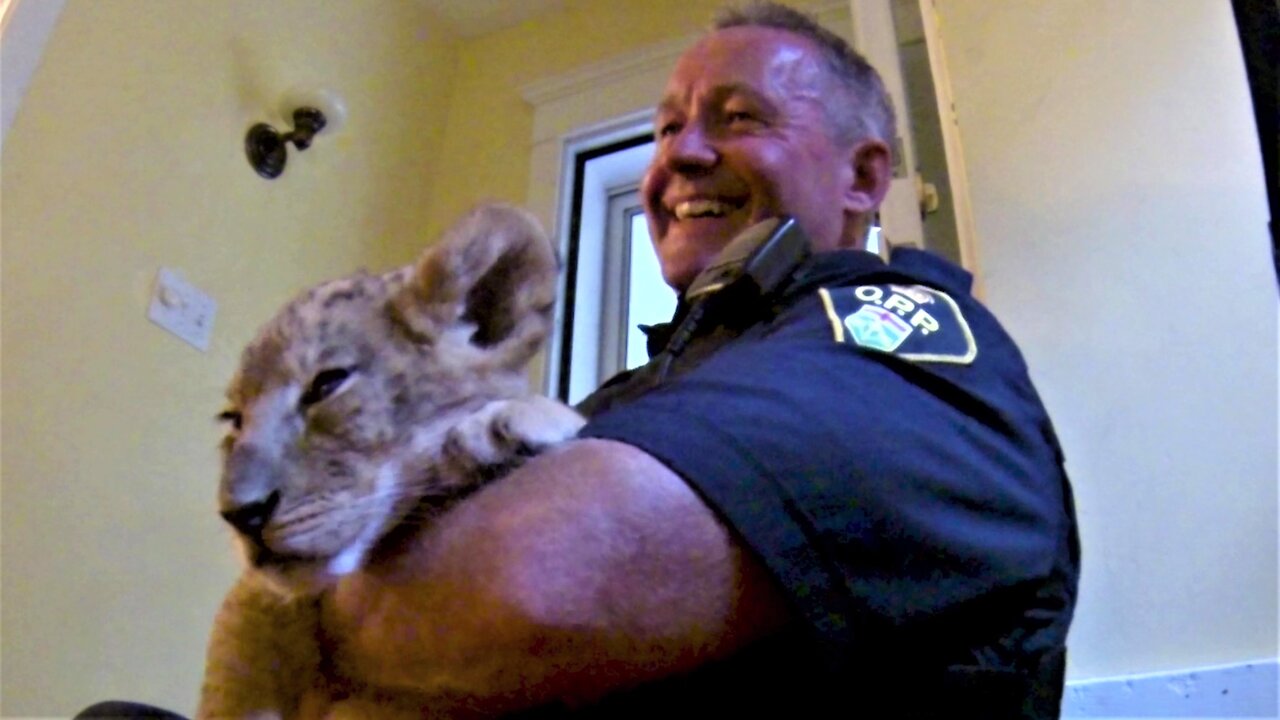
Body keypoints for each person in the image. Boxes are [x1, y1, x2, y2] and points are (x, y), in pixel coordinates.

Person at [79, 2, 1078, 718]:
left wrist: (295, 598)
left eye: (737, 119)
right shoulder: (642, 387)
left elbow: (520, 589)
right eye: (664, 127)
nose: (679, 156)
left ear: (865, 174)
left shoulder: (903, 349)